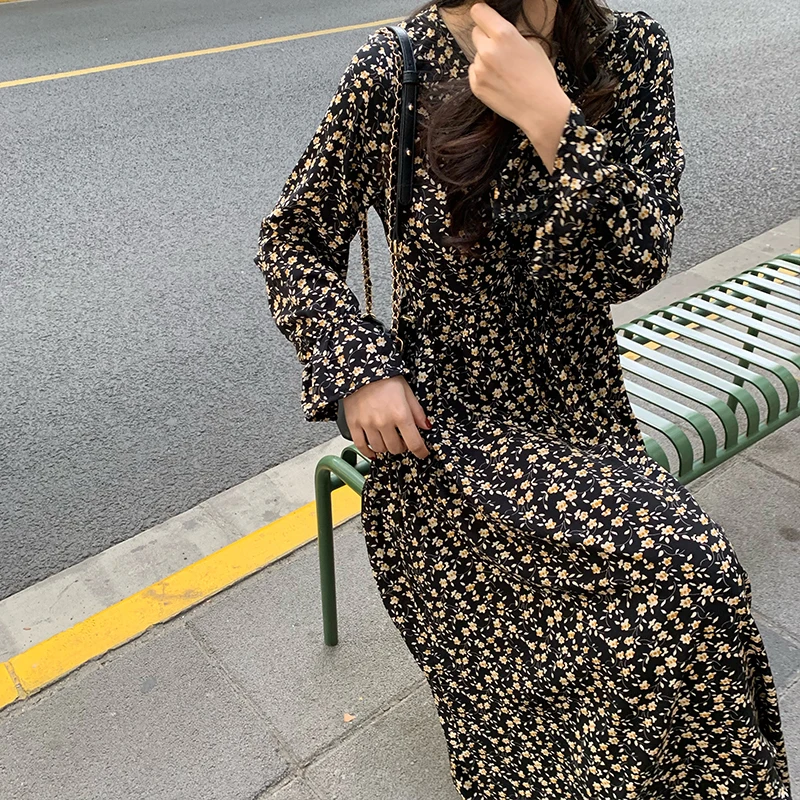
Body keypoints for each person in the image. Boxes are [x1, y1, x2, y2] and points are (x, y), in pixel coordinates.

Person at [254, 1, 792, 796]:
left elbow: (634, 261)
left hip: (583, 415)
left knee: (677, 632)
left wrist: (551, 119)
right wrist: (358, 367)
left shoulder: (626, 51)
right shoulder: (396, 68)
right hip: (447, 436)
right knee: (685, 577)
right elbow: (292, 238)